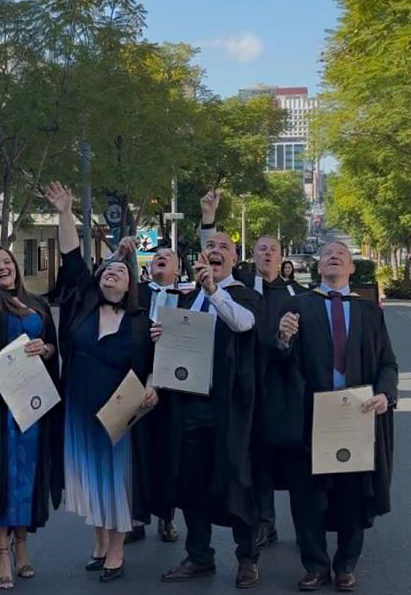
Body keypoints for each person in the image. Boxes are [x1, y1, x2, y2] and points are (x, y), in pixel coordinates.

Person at [46, 182, 158, 584]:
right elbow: (72, 257)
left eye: (120, 273)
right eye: (108, 270)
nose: (113, 274)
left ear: (130, 287)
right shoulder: (82, 303)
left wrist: (152, 387)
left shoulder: (141, 324)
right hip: (78, 404)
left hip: (118, 410)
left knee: (114, 481)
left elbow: (154, 366)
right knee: (88, 477)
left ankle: (115, 551)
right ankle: (98, 540)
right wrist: (64, 211)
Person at [276, 241, 396, 592]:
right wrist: (283, 340)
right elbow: (281, 361)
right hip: (311, 413)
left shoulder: (368, 311)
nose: (333, 257)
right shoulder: (298, 305)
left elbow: (388, 362)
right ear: (319, 264)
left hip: (356, 415)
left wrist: (385, 394)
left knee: (351, 494)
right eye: (327, 253)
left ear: (351, 268)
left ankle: (345, 564)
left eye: (340, 255)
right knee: (308, 494)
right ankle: (315, 565)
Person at [154, 227, 264, 589]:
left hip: (231, 407)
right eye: (210, 247)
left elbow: (243, 325)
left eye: (224, 248)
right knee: (191, 482)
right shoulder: (186, 300)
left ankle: (247, 558)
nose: (216, 251)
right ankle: (199, 555)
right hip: (190, 405)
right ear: (200, 258)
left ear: (233, 259)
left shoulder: (244, 295)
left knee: (237, 480)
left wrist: (213, 291)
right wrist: (161, 337)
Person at [200, 190, 307, 549]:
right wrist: (209, 219)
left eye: (272, 249)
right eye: (260, 248)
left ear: (281, 256)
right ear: (252, 255)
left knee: (284, 458)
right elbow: (212, 264)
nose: (266, 253)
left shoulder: (296, 295)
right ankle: (263, 522)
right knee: (254, 458)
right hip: (245, 385)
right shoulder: (242, 287)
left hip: (280, 386)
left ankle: (300, 524)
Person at [0, 243, 61, 589]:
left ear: (16, 266)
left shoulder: (37, 303)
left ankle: (22, 546)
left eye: (6, 261)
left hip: (31, 401)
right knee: (0, 474)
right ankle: (0, 551)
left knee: (29, 474)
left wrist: (46, 349)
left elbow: (52, 346)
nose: (2, 268)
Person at [117, 243, 182, 545]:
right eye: (157, 256)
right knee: (136, 452)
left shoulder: (188, 299)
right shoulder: (136, 293)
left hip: (173, 386)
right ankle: (136, 518)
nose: (160, 258)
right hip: (133, 379)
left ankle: (166, 517)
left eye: (168, 257)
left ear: (178, 270)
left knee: (166, 453)